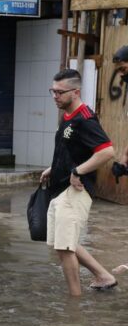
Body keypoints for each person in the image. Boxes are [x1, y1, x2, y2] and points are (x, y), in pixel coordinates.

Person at [40, 69, 117, 296]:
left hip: (76, 190)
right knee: (63, 244)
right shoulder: (68, 117)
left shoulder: (85, 119)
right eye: (52, 91)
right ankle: (104, 276)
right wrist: (53, 169)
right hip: (62, 187)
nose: (55, 96)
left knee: (65, 248)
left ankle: (74, 302)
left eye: (60, 92)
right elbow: (72, 150)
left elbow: (107, 151)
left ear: (76, 92)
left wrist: (78, 171)